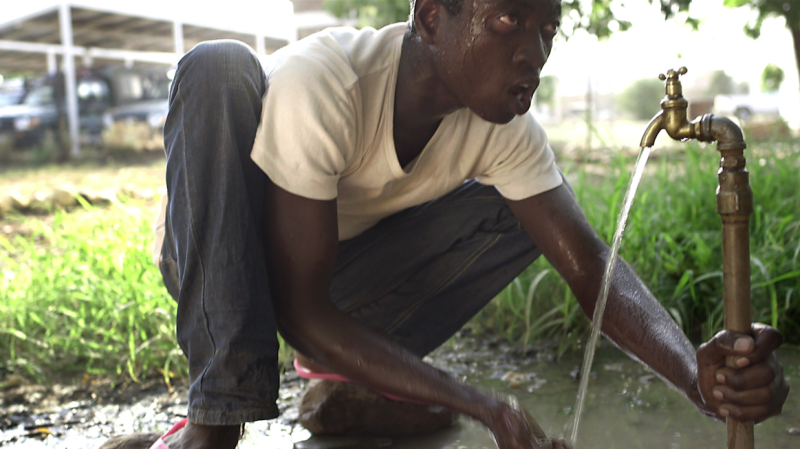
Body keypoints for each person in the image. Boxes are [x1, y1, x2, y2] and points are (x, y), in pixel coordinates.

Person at [103, 1, 789, 448]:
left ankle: (343, 374)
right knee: (217, 65)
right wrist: (484, 403)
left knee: (530, 210)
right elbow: (302, 307)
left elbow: (587, 263)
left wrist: (693, 375)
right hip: (222, 254)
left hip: (331, 270)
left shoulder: (504, 128)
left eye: (546, 29)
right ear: (432, 19)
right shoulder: (327, 81)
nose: (533, 50)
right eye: (508, 20)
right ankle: (211, 424)